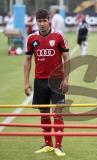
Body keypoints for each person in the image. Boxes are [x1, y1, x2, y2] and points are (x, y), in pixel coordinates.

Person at [24, 9, 70, 157]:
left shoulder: (59, 36)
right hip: (40, 81)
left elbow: (67, 58)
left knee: (58, 113)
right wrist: (26, 82)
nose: (42, 24)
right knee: (44, 113)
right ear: (36, 22)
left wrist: (66, 79)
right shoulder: (31, 38)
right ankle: (48, 144)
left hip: (57, 81)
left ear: (49, 20)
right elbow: (27, 61)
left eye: (45, 20)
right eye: (40, 21)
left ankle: (58, 146)